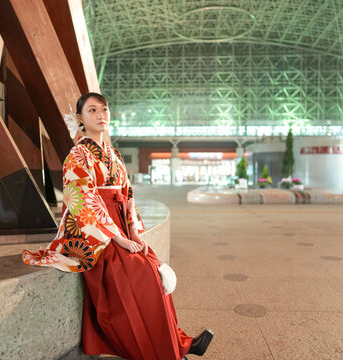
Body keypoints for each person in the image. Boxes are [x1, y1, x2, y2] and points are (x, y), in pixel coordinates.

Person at [23, 92, 213, 360]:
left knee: (154, 269)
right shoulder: (77, 155)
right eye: (92, 110)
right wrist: (116, 237)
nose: (100, 115)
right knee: (140, 274)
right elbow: (82, 201)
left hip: (121, 225)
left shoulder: (114, 155)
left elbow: (127, 195)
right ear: (80, 118)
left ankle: (177, 343)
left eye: (104, 109)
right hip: (93, 233)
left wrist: (133, 230)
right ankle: (170, 350)